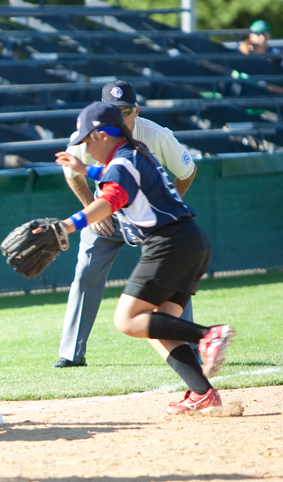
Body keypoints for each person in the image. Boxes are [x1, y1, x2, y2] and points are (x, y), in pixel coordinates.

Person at [53, 102, 235, 415]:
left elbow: (110, 199)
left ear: (104, 135)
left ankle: (208, 334)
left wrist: (65, 226)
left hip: (169, 245)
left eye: (87, 139)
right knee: (155, 326)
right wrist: (85, 170)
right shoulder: (133, 154)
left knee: (127, 319)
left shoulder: (123, 164)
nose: (85, 146)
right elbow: (114, 176)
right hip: (190, 241)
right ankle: (202, 393)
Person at [54, 80, 197, 368]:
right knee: (86, 273)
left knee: (171, 276)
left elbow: (187, 171)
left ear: (137, 110)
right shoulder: (90, 135)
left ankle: (192, 349)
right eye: (114, 110)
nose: (122, 116)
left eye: (127, 110)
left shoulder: (156, 135)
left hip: (148, 217)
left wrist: (165, 209)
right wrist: (92, 211)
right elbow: (73, 173)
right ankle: (71, 355)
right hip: (108, 214)